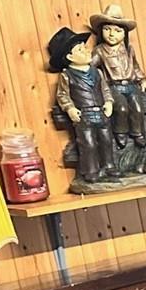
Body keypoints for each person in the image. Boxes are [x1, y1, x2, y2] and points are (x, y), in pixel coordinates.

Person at [90, 4, 146, 176]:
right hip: (114, 86)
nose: (111, 34)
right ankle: (121, 132)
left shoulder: (128, 50)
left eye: (117, 31)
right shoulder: (100, 51)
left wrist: (143, 80)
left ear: (124, 34)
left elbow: (136, 67)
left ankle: (137, 132)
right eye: (107, 30)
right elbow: (91, 69)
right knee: (122, 108)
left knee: (137, 107)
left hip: (131, 85)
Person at [46, 27, 114, 185]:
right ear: (70, 56)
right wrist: (70, 108)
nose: (86, 51)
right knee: (88, 144)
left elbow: (105, 90)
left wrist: (109, 102)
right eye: (80, 50)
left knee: (106, 140)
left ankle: (109, 166)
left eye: (85, 47)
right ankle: (91, 170)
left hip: (101, 112)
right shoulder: (67, 75)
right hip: (84, 115)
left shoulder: (97, 72)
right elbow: (62, 95)